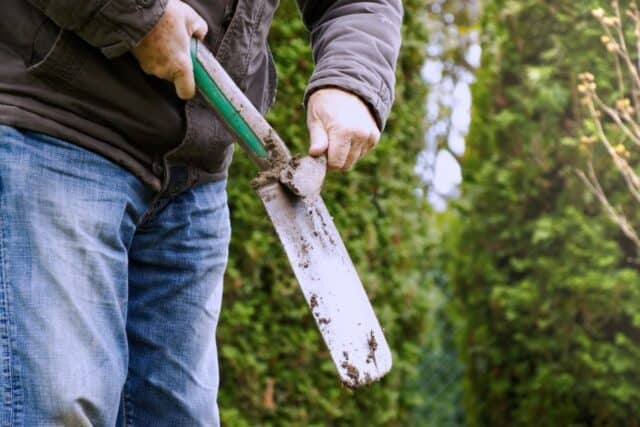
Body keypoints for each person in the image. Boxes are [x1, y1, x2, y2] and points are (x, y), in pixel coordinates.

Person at [0, 0, 402, 425]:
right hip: (58, 125)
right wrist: (138, 15)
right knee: (58, 408)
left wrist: (352, 77)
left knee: (181, 417)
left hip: (194, 175)